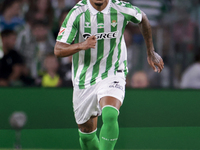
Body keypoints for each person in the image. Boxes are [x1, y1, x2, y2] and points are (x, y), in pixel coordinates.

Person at [54, 0, 164, 150]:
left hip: (113, 71)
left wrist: (150, 52)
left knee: (110, 115)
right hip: (84, 77)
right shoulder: (77, 13)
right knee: (86, 134)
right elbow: (59, 49)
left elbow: (142, 17)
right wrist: (82, 45)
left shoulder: (120, 8)